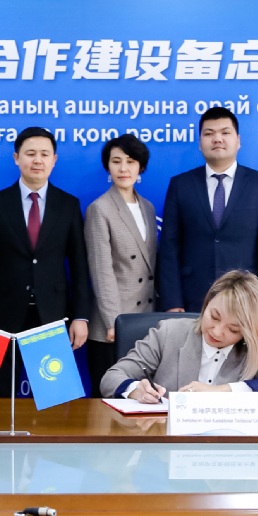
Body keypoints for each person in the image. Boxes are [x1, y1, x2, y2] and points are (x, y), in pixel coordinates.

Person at [0, 127, 91, 397]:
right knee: (0, 394)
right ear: (17, 158)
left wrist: (80, 316)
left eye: (44, 154)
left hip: (53, 313)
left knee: (53, 394)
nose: (37, 160)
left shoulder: (68, 204)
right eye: (30, 153)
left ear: (54, 160)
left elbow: (79, 264)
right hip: (3, 314)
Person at [101, 270, 258, 403]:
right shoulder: (168, 332)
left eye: (233, 330)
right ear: (207, 303)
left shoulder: (251, 347)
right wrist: (135, 389)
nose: (217, 332)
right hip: (166, 440)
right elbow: (111, 377)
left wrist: (221, 391)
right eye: (214, 317)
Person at [158, 107, 258, 314]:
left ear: (238, 140)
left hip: (246, 300)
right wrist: (172, 301)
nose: (217, 139)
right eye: (209, 133)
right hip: (192, 299)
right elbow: (169, 248)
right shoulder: (180, 185)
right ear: (200, 143)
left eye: (225, 132)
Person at [84, 134, 159, 398]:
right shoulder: (100, 208)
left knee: (143, 399)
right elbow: (101, 270)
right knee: (108, 397)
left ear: (141, 167)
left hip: (146, 322)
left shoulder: (148, 208)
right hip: (112, 326)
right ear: (108, 167)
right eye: (116, 161)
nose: (123, 168)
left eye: (130, 161)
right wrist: (113, 321)